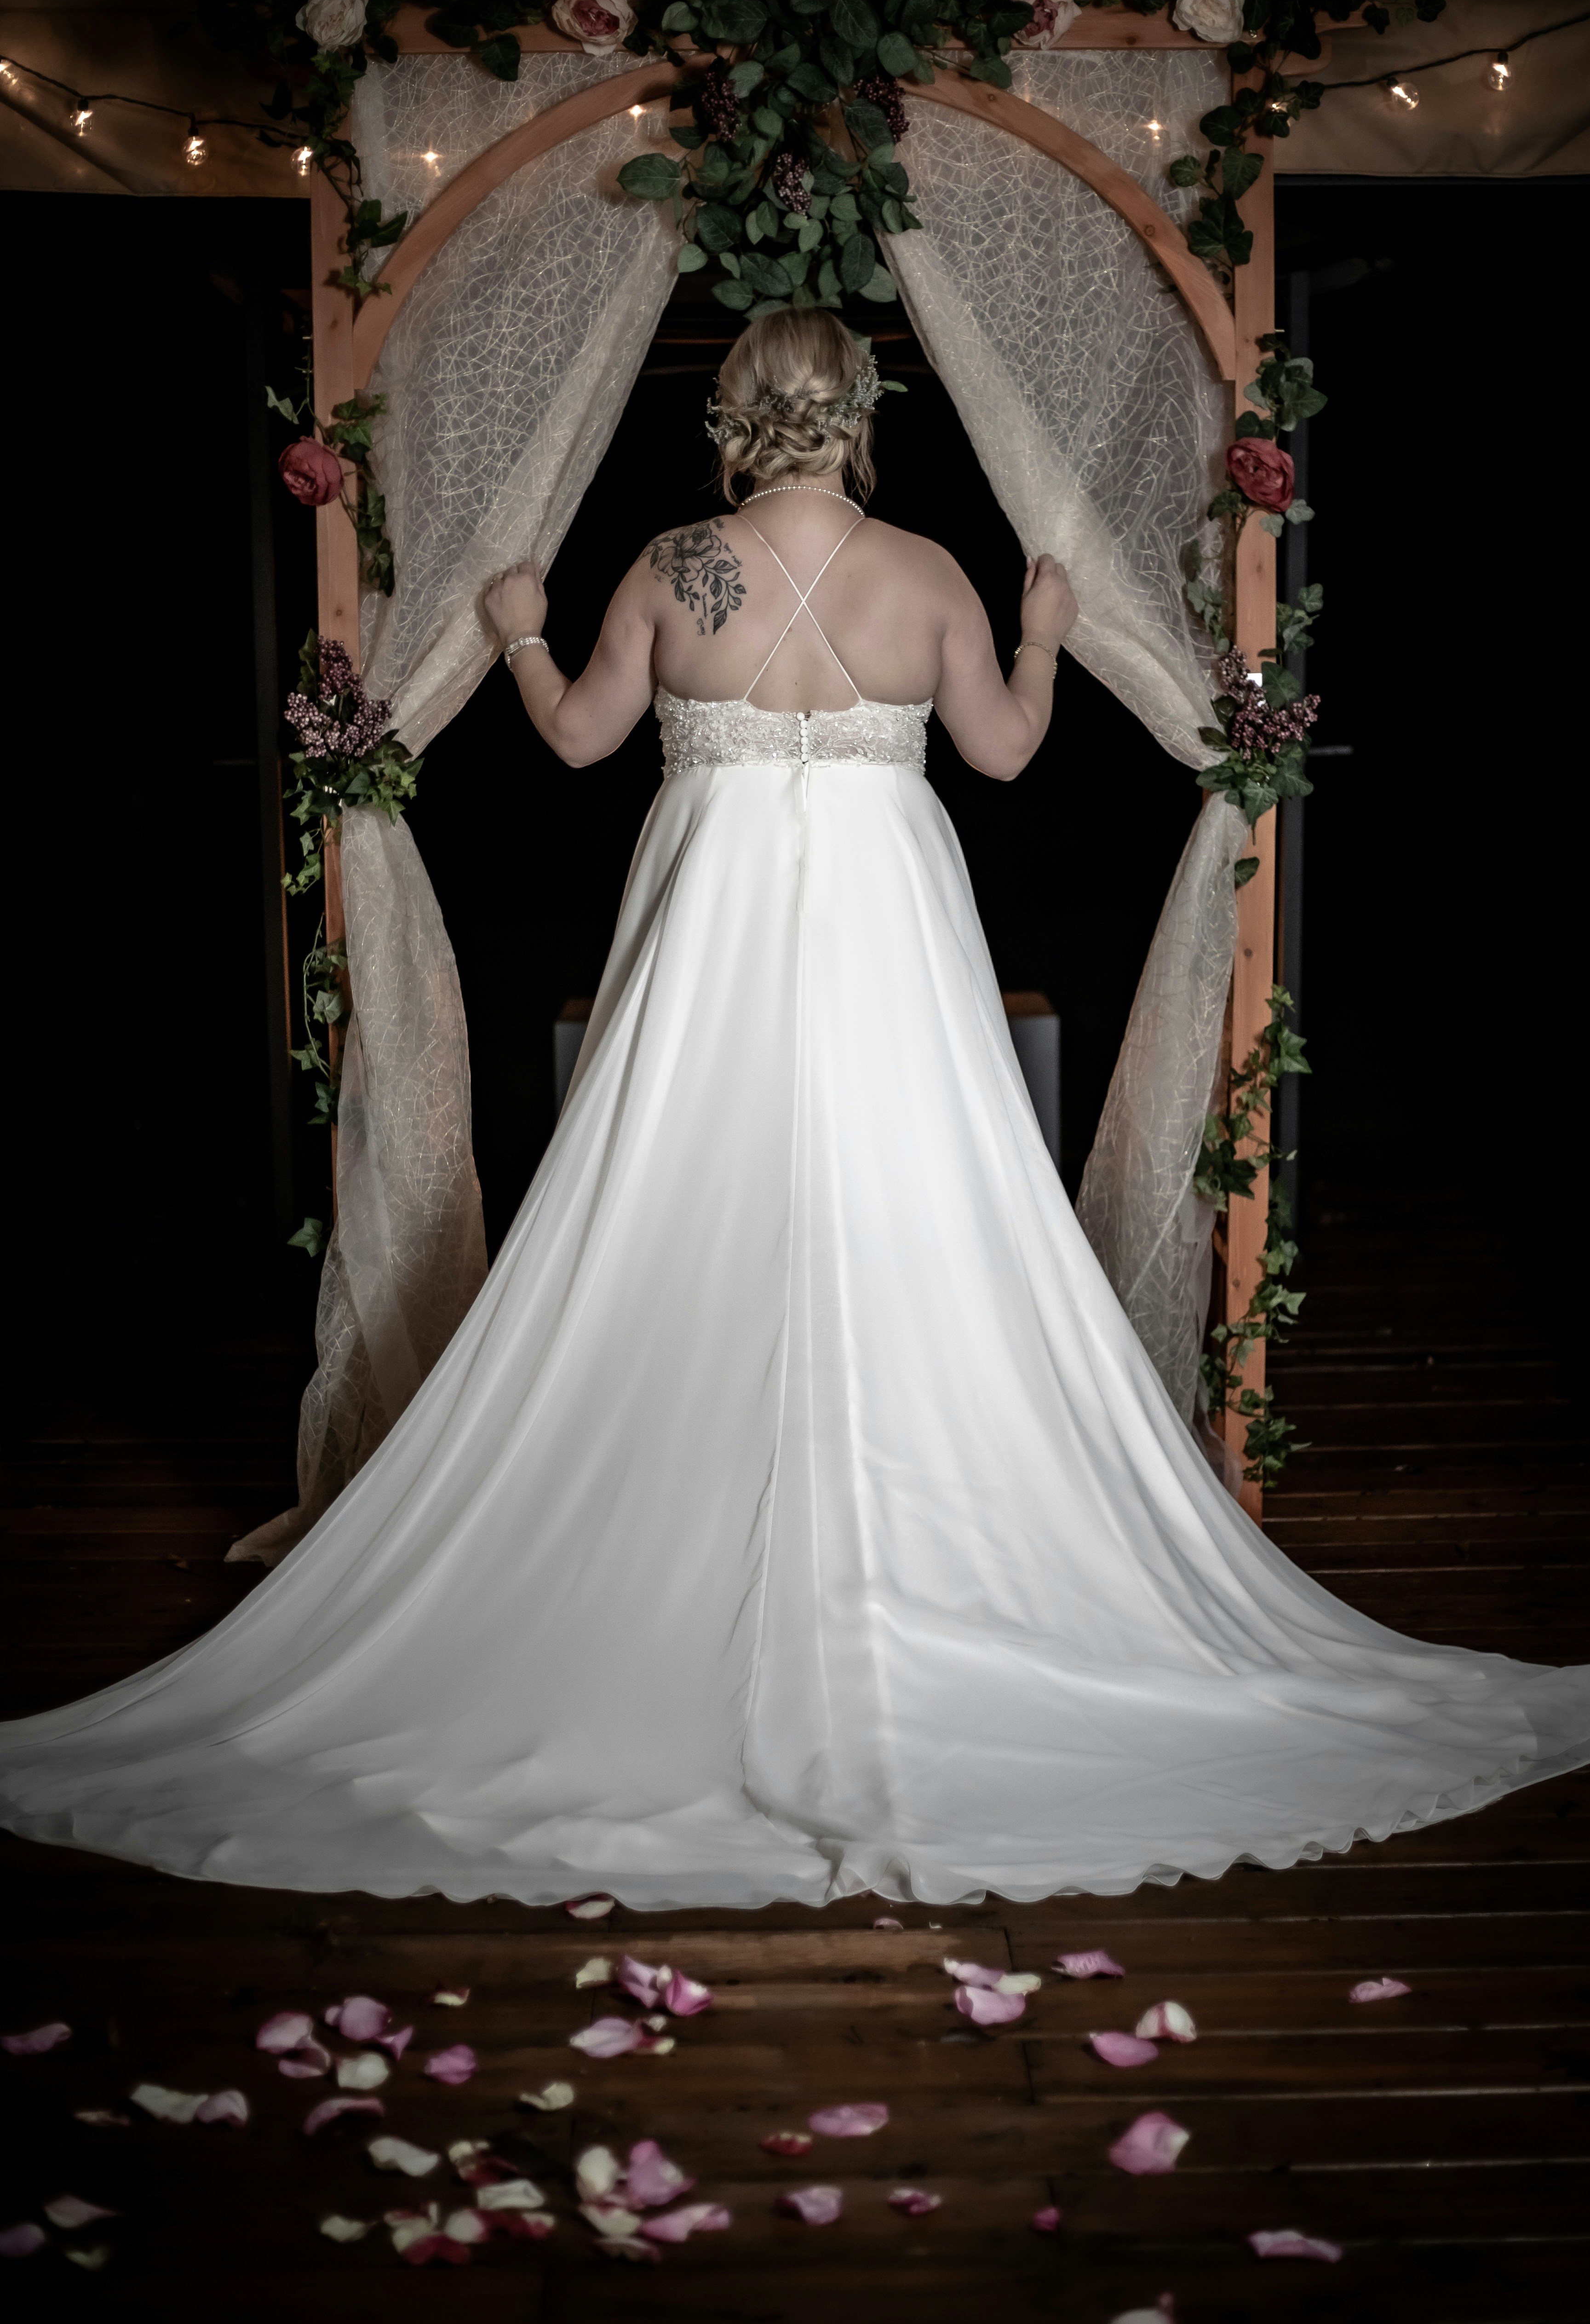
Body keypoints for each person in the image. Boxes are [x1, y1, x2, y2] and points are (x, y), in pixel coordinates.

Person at [2, 310, 1586, 1910]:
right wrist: (1041, 630)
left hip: (717, 940)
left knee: (681, 1210)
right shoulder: (928, 575)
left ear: (731, 421)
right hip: (890, 936)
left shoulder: (670, 566)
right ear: (861, 416)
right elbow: (1009, 751)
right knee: (915, 1212)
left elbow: (570, 740)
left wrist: (515, 626)